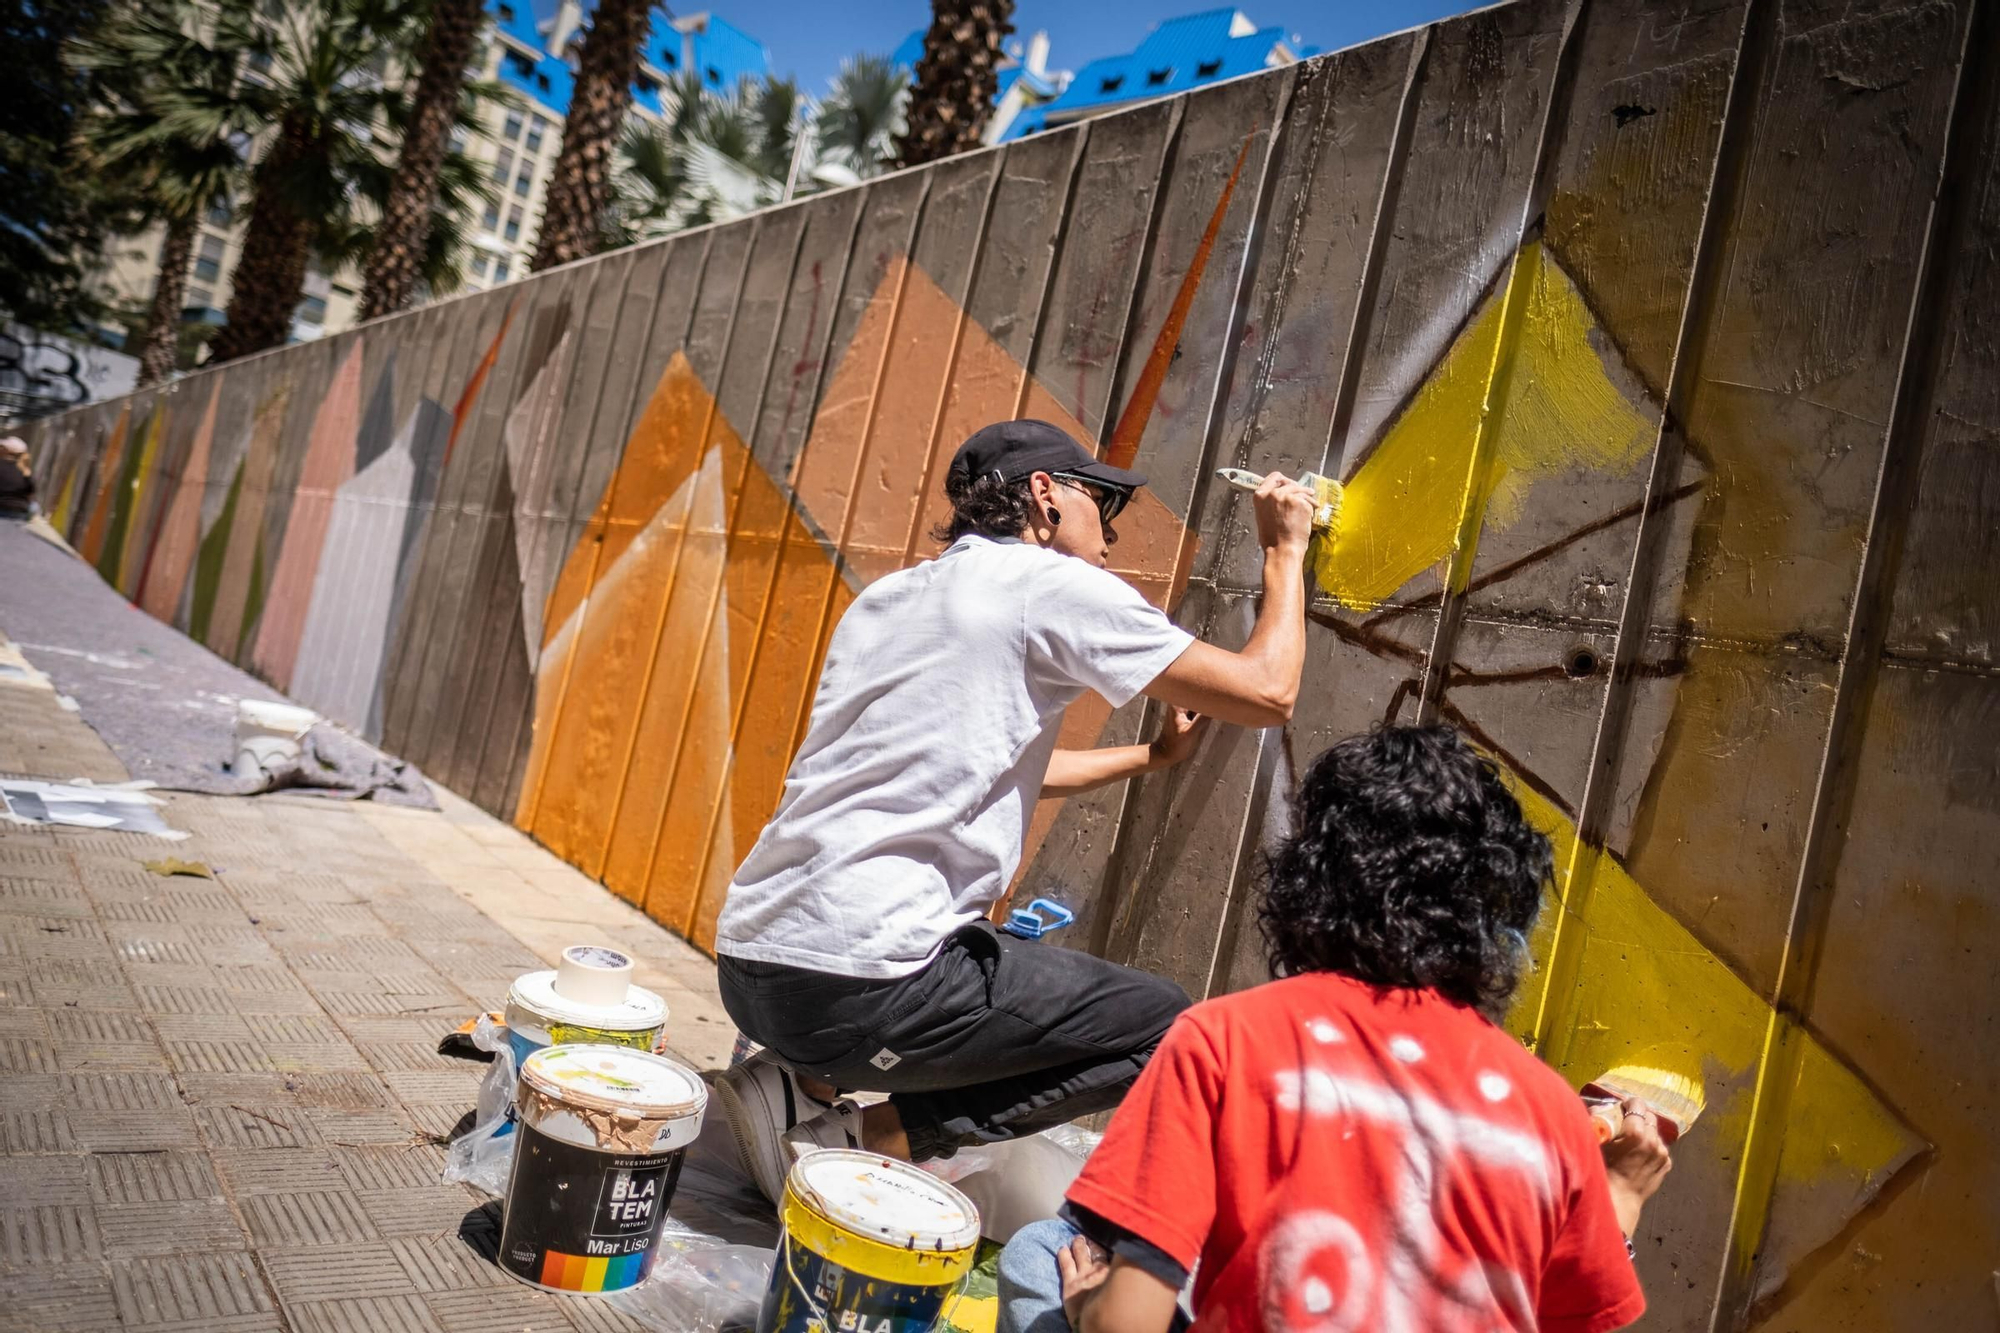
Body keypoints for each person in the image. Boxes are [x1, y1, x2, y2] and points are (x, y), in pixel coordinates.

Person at [710, 419, 1318, 1200]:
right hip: (858, 987)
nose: (1114, 534)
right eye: (1102, 501)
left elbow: (984, 761)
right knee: (1165, 1025)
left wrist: (1149, 758)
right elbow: (1267, 691)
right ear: (1045, 497)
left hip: (754, 966)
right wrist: (1284, 550)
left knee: (959, 955)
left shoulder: (890, 598)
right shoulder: (1049, 585)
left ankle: (797, 1083)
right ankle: (865, 1134)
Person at [996, 725, 1672, 1333]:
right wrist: (1621, 1200)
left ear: (1307, 878)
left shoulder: (1226, 1039)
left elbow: (1127, 1325)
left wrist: (1090, 1307)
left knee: (1041, 1254)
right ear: (1495, 910)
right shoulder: (1549, 1108)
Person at [0, 437, 35, 520]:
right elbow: (30, 492)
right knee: (35, 506)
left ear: (7, 450)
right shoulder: (25, 469)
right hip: (20, 512)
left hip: (1, 508)